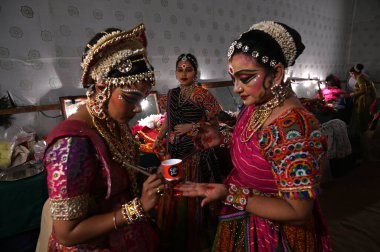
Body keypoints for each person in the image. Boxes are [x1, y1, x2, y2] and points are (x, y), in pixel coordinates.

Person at [176, 21, 331, 251]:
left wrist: (231, 195)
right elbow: (259, 147)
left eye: (245, 77)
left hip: (275, 233)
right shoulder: (259, 102)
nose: (237, 88)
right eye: (234, 78)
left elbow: (298, 212)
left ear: (276, 74)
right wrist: (224, 138)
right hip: (246, 215)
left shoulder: (294, 129)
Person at [42, 23, 164, 251]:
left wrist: (147, 180)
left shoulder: (113, 122)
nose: (138, 109)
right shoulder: (72, 144)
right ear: (102, 86)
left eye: (143, 99)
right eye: (131, 98)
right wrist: (138, 208)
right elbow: (67, 234)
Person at [152, 53, 223, 251]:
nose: (183, 73)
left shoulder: (203, 95)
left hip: (195, 153)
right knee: (173, 191)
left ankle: (197, 234)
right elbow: (168, 121)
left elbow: (215, 125)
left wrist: (192, 127)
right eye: (180, 69)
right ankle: (176, 232)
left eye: (188, 69)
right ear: (175, 72)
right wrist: (159, 137)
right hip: (173, 152)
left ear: (195, 72)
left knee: (193, 192)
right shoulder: (171, 94)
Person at [344, 64, 377, 141]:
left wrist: (350, 95)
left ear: (353, 73)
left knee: (361, 116)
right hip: (369, 99)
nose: (351, 76)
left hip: (365, 101)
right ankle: (363, 136)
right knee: (365, 117)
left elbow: (363, 90)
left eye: (351, 74)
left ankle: (362, 137)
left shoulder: (360, 78)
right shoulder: (364, 76)